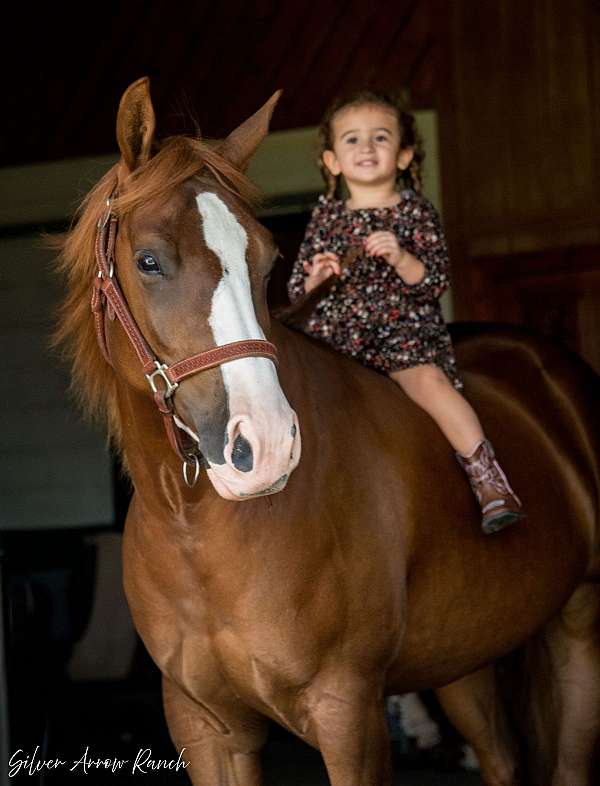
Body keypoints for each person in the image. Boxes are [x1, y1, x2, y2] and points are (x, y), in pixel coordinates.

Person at [287, 90, 524, 533]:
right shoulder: (325, 216)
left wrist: (401, 258)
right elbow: (299, 287)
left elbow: (435, 281)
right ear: (332, 160)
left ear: (403, 155)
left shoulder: (415, 211)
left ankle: (488, 479)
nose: (367, 148)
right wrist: (317, 277)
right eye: (352, 140)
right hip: (337, 335)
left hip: (402, 334)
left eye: (380, 137)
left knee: (430, 383)